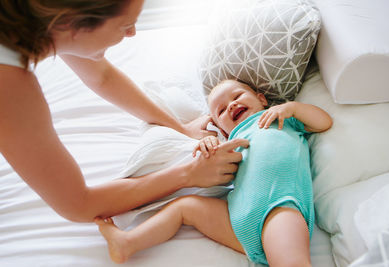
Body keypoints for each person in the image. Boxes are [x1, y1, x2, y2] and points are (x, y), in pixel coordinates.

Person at [0, 1, 249, 223]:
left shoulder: (46, 24)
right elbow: (79, 205)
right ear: (71, 24)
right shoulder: (9, 85)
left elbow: (103, 76)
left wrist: (179, 128)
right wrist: (189, 173)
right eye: (125, 25)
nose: (132, 33)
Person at [95, 79, 333, 265]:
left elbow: (324, 122)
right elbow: (212, 167)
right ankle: (127, 243)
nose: (231, 105)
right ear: (221, 127)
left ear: (261, 99)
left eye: (237, 96)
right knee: (184, 207)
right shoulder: (228, 141)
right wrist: (206, 147)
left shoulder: (281, 118)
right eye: (220, 111)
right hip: (236, 218)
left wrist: (292, 108)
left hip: (279, 208)